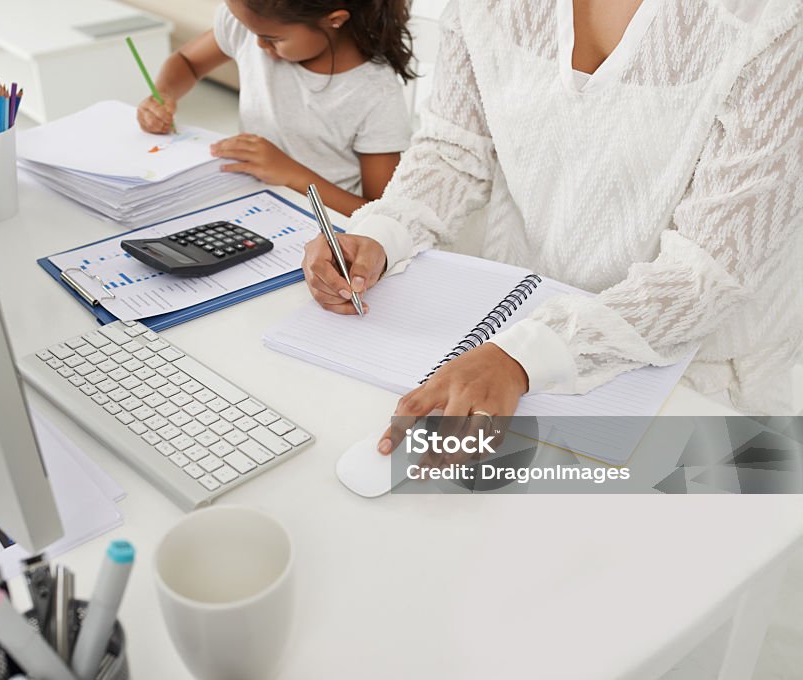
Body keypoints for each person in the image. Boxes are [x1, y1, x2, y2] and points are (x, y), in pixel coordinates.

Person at [302, 0, 803, 445]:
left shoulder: (775, 19)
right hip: (511, 335)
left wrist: (525, 356)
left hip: (702, 377)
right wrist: (382, 233)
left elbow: (711, 268)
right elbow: (453, 150)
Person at [136, 0, 415, 216]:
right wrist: (163, 94)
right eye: (252, 32)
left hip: (326, 233)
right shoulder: (251, 26)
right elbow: (187, 61)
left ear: (335, 20)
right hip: (249, 203)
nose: (257, 44)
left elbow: (377, 213)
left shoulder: (375, 93)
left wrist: (291, 174)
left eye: (272, 38)